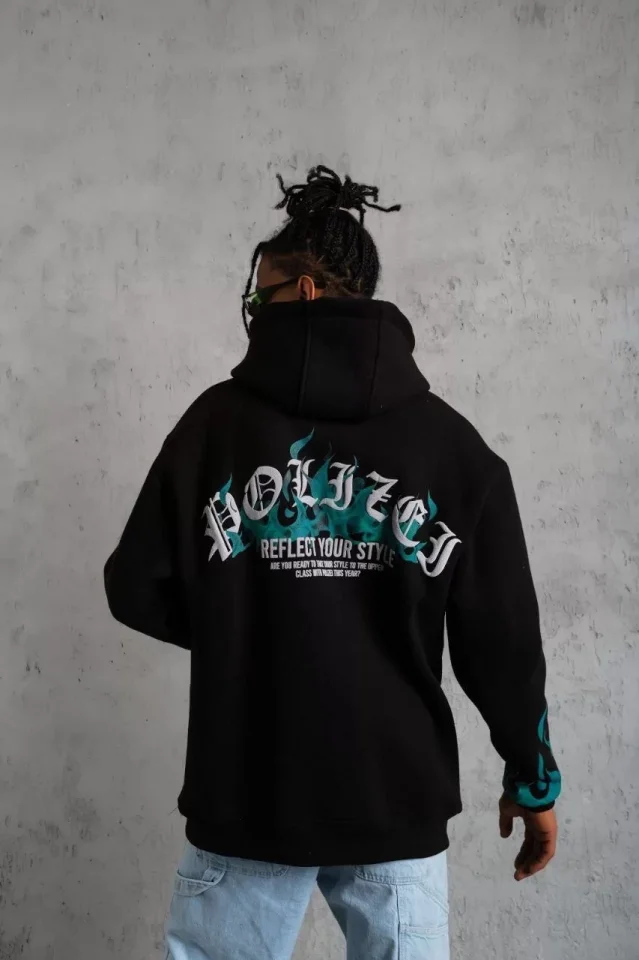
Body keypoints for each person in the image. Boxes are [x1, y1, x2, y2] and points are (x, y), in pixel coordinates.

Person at [104, 165, 561, 960]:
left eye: (262, 297)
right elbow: (503, 641)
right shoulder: (450, 447)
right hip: (394, 795)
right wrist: (532, 778)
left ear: (307, 291)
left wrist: (247, 617)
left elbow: (134, 586)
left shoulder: (212, 427)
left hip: (247, 792)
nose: (253, 313)